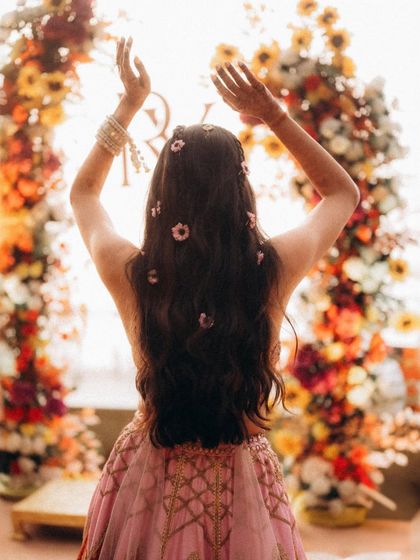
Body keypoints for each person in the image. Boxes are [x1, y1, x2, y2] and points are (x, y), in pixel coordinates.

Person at [72, 35, 360, 560]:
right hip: (242, 482)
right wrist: (272, 115)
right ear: (241, 193)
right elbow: (342, 193)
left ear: (160, 197)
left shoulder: (133, 272)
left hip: (145, 476)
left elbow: (84, 195)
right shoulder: (271, 271)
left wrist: (129, 103)